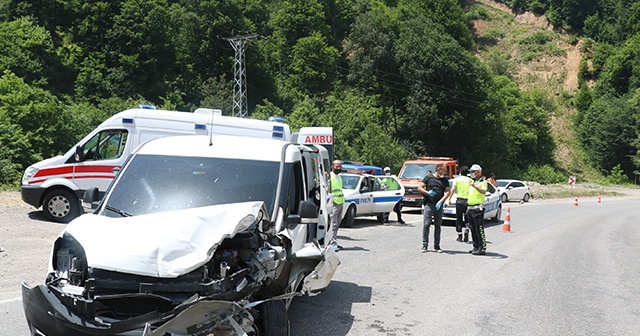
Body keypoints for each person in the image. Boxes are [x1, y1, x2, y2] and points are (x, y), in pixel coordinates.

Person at [417, 163, 451, 253]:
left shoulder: (445, 180)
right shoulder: (428, 178)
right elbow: (420, 187)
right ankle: (425, 245)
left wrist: (441, 201)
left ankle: (437, 246)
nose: (445, 173)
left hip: (438, 205)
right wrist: (427, 193)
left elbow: (448, 191)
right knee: (426, 224)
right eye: (444, 170)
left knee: (438, 225)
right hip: (429, 203)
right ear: (439, 169)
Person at [467, 164, 488, 255]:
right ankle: (475, 246)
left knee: (479, 228)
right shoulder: (472, 181)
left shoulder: (482, 182)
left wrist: (475, 186)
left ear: (478, 172)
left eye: (473, 172)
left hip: (477, 208)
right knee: (472, 228)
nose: (471, 173)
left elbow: (483, 191)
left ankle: (482, 247)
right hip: (470, 208)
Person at [449, 167, 472, 243]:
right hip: (468, 201)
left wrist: (449, 199)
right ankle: (467, 229)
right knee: (467, 217)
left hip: (459, 200)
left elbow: (452, 190)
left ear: (460, 172)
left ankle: (459, 235)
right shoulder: (470, 180)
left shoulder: (457, 180)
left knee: (459, 218)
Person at [330, 160, 345, 251]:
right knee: (333, 224)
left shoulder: (339, 177)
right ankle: (332, 242)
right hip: (333, 203)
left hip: (340, 202)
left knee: (337, 223)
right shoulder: (330, 176)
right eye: (336, 166)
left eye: (340, 166)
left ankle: (334, 240)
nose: (338, 168)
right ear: (332, 166)